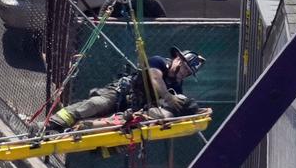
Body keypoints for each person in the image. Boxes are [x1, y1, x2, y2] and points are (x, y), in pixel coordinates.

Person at [47, 48, 206, 132]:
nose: (185, 73)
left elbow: (167, 107)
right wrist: (166, 96)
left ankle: (71, 130)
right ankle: (53, 124)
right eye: (185, 68)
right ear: (178, 58)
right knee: (96, 104)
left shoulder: (177, 88)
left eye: (188, 73)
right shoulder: (158, 62)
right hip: (120, 93)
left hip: (133, 109)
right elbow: (154, 78)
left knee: (108, 127)